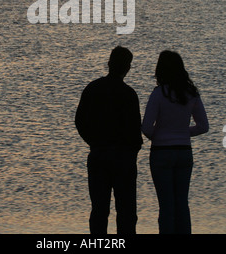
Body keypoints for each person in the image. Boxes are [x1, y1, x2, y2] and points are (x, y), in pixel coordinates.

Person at [75, 46, 142, 235]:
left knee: (99, 210)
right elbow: (136, 129)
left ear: (109, 64)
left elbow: (80, 121)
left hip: (99, 155)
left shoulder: (92, 88)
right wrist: (132, 152)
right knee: (127, 212)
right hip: (123, 158)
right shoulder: (129, 94)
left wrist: (93, 142)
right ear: (127, 68)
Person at [142, 50, 209, 234]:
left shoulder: (158, 94)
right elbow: (203, 126)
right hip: (184, 152)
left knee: (166, 206)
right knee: (182, 203)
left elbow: (146, 127)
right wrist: (182, 133)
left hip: (161, 153)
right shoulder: (191, 93)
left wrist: (161, 136)